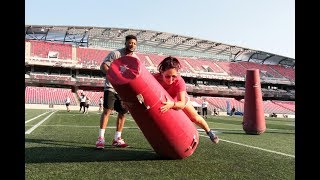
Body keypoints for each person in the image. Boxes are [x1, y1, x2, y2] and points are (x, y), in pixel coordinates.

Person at [153, 56, 219, 144]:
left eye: (174, 76)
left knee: (195, 118)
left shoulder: (179, 82)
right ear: (161, 72)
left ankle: (209, 132)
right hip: (165, 100)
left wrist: (172, 104)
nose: (171, 80)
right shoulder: (154, 78)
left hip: (178, 100)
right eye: (167, 76)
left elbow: (181, 103)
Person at [96, 34, 139, 149]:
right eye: (130, 42)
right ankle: (101, 138)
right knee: (107, 111)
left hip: (124, 91)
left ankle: (117, 138)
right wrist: (115, 77)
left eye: (134, 43)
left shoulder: (136, 59)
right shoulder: (116, 54)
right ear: (125, 43)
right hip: (111, 86)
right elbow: (103, 66)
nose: (132, 45)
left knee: (123, 113)